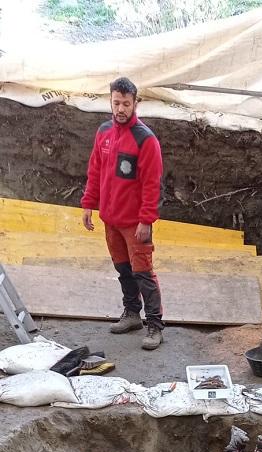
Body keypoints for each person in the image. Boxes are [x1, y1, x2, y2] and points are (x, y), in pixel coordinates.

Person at [81, 76, 164, 351]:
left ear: (135, 103)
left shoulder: (146, 140)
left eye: (126, 104)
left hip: (134, 223)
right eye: (116, 103)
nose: (120, 109)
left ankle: (155, 326)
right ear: (111, 101)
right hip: (111, 219)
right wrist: (88, 205)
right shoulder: (103, 132)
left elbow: (152, 184)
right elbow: (95, 172)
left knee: (143, 273)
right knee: (123, 269)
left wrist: (146, 220)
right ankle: (132, 314)